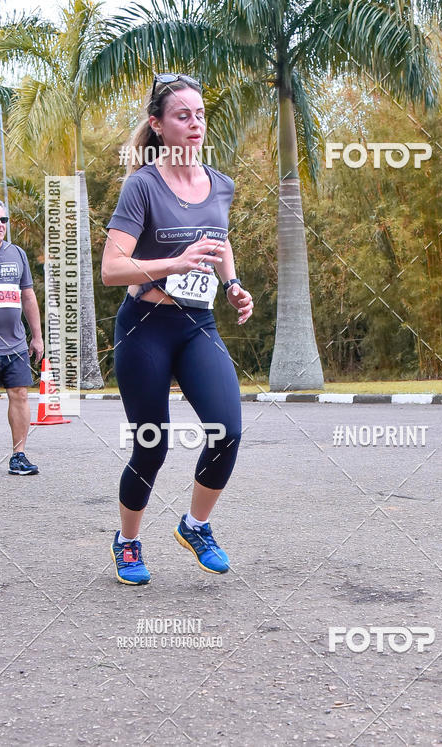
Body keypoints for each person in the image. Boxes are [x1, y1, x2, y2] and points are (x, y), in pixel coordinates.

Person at [102, 73, 253, 585]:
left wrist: (232, 283)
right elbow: (112, 269)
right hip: (145, 323)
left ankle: (196, 525)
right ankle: (127, 542)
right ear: (158, 125)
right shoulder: (142, 185)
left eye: (200, 114)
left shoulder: (221, 183)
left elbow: (219, 240)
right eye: (182, 115)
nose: (194, 124)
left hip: (197, 323)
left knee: (227, 430)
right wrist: (174, 262)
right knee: (153, 441)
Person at [0, 197, 44, 474]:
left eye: (3, 219)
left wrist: (36, 337)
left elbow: (28, 295)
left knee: (20, 395)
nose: (0, 224)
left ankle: (19, 455)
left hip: (14, 341)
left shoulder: (16, 253)